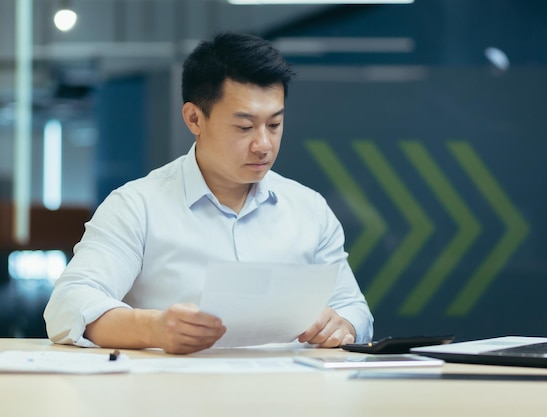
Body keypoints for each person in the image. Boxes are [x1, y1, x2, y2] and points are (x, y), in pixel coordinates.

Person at [44, 32, 374, 354]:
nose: (263, 144)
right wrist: (154, 329)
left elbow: (353, 309)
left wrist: (342, 325)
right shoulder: (137, 206)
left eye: (274, 124)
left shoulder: (309, 210)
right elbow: (69, 304)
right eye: (244, 127)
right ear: (194, 118)